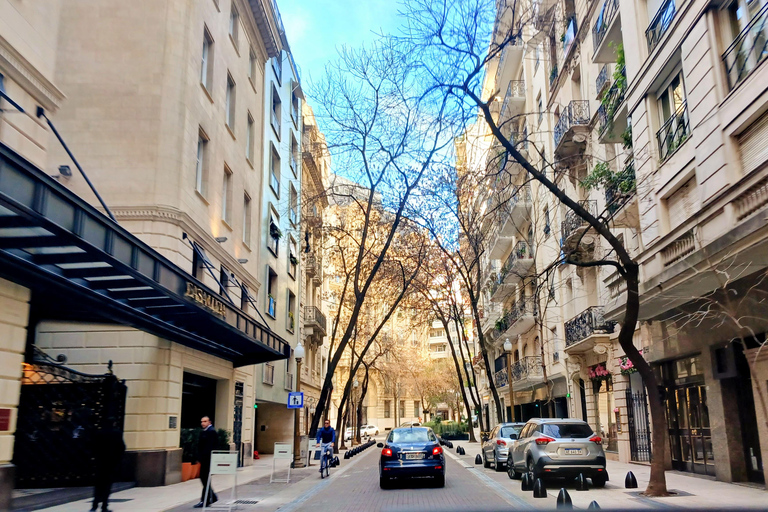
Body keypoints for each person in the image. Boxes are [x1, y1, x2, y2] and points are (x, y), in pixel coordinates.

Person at [91, 424, 125, 512]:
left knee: (98, 485)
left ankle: (94, 505)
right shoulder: (117, 433)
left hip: (100, 462)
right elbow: (122, 447)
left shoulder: (99, 433)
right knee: (107, 485)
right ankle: (104, 506)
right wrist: (119, 459)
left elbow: (93, 446)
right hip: (111, 463)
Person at [195, 416, 218, 508]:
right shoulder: (206, 431)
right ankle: (210, 498)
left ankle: (206, 499)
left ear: (209, 422)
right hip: (205, 459)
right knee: (205, 479)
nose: (202, 423)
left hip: (207, 459)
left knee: (205, 478)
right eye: (202, 421)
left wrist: (204, 457)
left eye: (205, 421)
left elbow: (210, 447)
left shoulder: (211, 431)